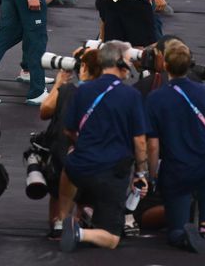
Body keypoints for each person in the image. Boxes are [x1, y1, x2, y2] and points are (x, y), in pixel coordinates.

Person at [56, 41, 150, 252]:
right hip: (109, 173)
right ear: (120, 63)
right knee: (111, 238)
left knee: (70, 165)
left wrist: (80, 146)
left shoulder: (83, 90)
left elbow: (68, 130)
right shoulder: (131, 96)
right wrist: (141, 173)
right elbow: (140, 141)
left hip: (79, 167)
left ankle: (61, 220)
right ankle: (81, 233)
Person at [145, 39, 205, 253]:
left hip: (178, 169)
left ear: (165, 65)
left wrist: (152, 175)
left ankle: (182, 236)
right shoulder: (203, 92)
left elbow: (153, 146)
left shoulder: (156, 98)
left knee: (175, 230)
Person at [38, 47, 102, 237]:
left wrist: (59, 83)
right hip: (99, 159)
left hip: (63, 155)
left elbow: (45, 110)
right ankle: (85, 214)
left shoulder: (68, 92)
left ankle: (59, 221)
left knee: (59, 183)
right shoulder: (109, 92)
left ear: (83, 67)